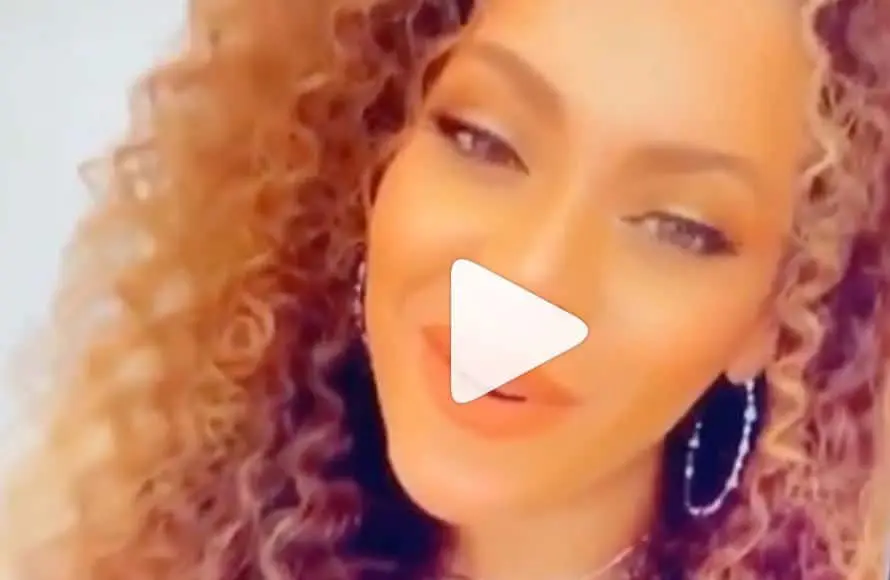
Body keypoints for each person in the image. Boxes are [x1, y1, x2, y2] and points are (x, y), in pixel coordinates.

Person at [3, 0, 890, 578]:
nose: (531, 274)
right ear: (371, 157)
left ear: (775, 317)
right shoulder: (106, 541)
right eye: (482, 141)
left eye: (678, 227)